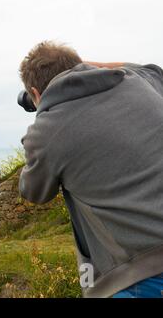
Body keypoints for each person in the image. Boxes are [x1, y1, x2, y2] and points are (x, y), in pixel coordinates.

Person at [18, 41, 163, 298]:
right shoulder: (140, 80)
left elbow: (33, 192)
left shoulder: (46, 131)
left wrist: (40, 122)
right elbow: (149, 69)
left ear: (34, 93)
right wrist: (84, 69)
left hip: (141, 275)